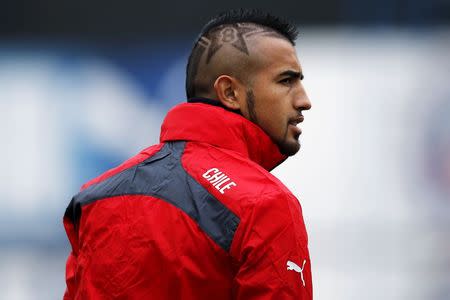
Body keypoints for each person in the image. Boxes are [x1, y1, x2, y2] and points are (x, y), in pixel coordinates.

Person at [63, 8, 312, 300]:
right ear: (230, 93)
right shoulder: (264, 205)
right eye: (286, 81)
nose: (304, 100)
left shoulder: (94, 199)